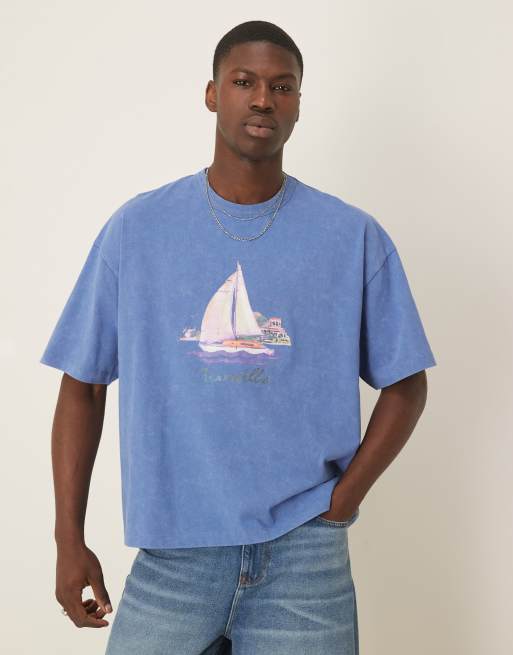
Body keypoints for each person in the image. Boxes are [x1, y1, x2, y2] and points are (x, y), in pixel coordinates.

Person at [40, 19, 437, 655]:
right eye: (244, 82)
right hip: (174, 557)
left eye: (282, 87)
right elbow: (82, 386)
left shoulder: (351, 236)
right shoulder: (137, 230)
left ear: (298, 104)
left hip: (305, 562)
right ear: (212, 93)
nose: (262, 99)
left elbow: (407, 383)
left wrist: (344, 498)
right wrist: (68, 539)